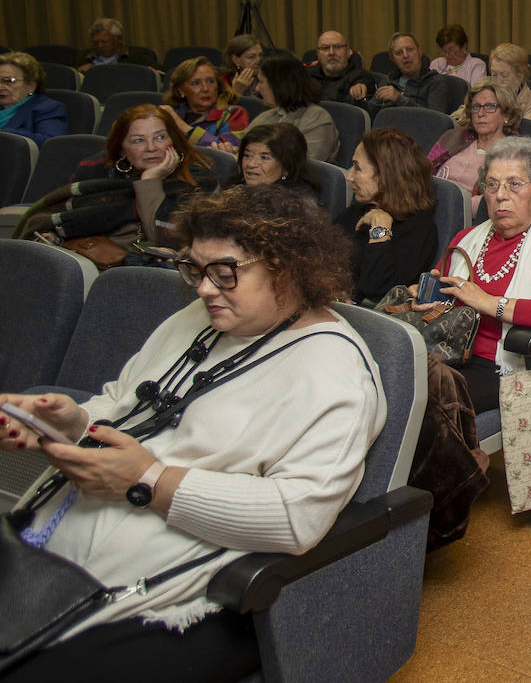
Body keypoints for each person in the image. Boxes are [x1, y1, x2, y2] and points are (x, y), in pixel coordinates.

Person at [0, 185, 385, 680]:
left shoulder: (337, 374)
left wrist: (149, 481)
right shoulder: (197, 320)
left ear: (286, 268)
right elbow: (123, 403)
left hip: (158, 596)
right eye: (196, 270)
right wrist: (72, 423)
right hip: (48, 547)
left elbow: (297, 518)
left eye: (224, 272)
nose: (203, 289)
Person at [414, 137, 531, 413]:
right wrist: (426, 300)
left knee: (422, 398)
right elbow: (444, 295)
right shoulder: (467, 238)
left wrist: (489, 303)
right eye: (492, 184)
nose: (500, 195)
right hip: (448, 352)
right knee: (394, 379)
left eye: (515, 184)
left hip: (502, 367)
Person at [15, 104, 218, 252]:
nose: (151, 147)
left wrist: (149, 182)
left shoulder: (198, 181)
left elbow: (165, 239)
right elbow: (70, 220)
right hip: (88, 261)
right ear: (122, 149)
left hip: (150, 271)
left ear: (175, 140)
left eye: (160, 137)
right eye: (138, 140)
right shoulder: (96, 171)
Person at [337, 127, 438, 305]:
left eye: (357, 168)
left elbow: (379, 292)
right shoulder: (356, 211)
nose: (349, 176)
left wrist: (380, 229)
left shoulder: (419, 229)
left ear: (386, 175)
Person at [430, 78, 521, 212]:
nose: (480, 113)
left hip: (465, 218)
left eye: (490, 107)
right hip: (428, 205)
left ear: (506, 114)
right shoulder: (452, 137)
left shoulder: (514, 153)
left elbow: (494, 200)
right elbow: (422, 174)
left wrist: (448, 206)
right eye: (476, 107)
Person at [251, 54, 340, 161]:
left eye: (261, 82)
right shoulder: (267, 116)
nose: (257, 88)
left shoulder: (318, 120)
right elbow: (244, 147)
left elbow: (305, 166)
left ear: (278, 85)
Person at [162, 56, 250, 151]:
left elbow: (227, 152)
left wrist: (185, 128)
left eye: (210, 81)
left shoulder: (235, 114)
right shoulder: (173, 114)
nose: (205, 89)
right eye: (196, 83)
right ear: (180, 90)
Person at [223, 123, 321, 193]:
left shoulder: (294, 205)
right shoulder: (235, 186)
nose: (251, 164)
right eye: (247, 155)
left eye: (264, 158)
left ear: (287, 167)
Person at [367, 32, 447, 114]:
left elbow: (436, 120)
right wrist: (358, 96)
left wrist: (399, 99)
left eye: (409, 49)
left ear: (419, 52)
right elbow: (369, 113)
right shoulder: (389, 80)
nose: (405, 55)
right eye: (399, 53)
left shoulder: (435, 81)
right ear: (392, 59)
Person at [0, 50, 68, 144]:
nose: (0, 87)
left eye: (8, 81)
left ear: (30, 86)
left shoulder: (47, 108)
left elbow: (50, 142)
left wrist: (3, 132)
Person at [309, 30, 374, 106]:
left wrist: (357, 91)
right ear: (318, 54)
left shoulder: (361, 77)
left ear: (347, 52)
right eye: (325, 48)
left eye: (337, 47)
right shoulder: (306, 77)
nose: (331, 52)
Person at [486, 43, 531, 124]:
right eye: (494, 74)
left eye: (504, 75)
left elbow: (528, 132)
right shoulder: (484, 95)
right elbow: (463, 118)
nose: (498, 81)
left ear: (520, 75)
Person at [220, 34, 265, 100]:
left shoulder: (269, 78)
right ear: (236, 60)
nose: (259, 60)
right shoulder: (224, 83)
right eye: (251, 57)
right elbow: (223, 109)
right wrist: (237, 91)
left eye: (260, 55)